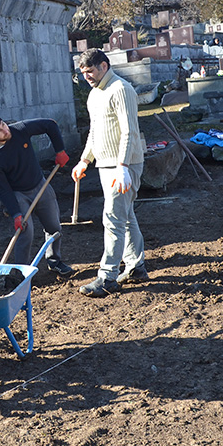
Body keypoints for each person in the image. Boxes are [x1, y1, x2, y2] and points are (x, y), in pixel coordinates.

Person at [72, 49, 149, 297]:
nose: (87, 77)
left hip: (124, 166)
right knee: (125, 217)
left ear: (104, 66)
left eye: (90, 71)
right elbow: (95, 131)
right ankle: (136, 266)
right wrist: (85, 160)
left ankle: (107, 277)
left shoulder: (121, 89)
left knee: (112, 219)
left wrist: (123, 166)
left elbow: (129, 131)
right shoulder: (95, 94)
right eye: (83, 73)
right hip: (106, 165)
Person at [0, 114, 73, 274]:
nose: (5, 130)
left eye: (3, 124)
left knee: (54, 227)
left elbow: (50, 124)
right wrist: (16, 214)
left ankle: (54, 261)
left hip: (40, 184)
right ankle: (21, 272)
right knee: (25, 232)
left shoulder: (19, 129)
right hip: (19, 194)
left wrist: (60, 150)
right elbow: (3, 189)